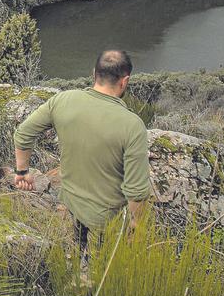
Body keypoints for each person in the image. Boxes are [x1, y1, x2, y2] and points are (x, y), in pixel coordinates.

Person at [12, 49, 151, 251]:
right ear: (125, 81)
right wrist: (135, 229)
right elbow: (136, 191)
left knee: (74, 262)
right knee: (101, 274)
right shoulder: (132, 125)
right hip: (106, 223)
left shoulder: (62, 100)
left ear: (94, 74)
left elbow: (23, 134)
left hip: (68, 207)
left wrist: (22, 172)